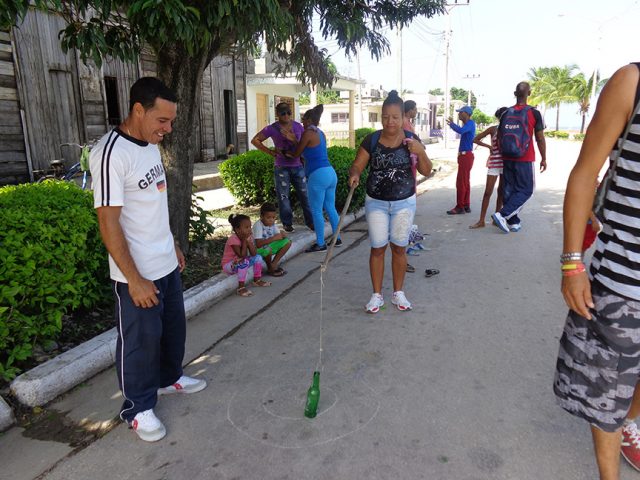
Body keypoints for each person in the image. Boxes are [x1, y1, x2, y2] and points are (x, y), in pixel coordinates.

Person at [89, 77, 207, 443]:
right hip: (136, 274)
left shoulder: (150, 146)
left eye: (171, 122)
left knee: (172, 330)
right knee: (139, 342)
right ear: (138, 110)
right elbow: (108, 222)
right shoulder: (111, 153)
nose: (167, 130)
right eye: (162, 121)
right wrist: (134, 279)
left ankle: (170, 377)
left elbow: (154, 203)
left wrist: (171, 243)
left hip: (165, 262)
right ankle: (138, 408)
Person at [554, 62, 640, 480]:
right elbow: (586, 172)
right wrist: (572, 262)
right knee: (606, 398)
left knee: (628, 398)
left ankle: (629, 422)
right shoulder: (631, 82)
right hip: (622, 283)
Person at [348, 90, 432, 313]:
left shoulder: (411, 140)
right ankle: (376, 295)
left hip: (404, 203)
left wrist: (421, 151)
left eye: (395, 117)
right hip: (376, 202)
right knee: (377, 248)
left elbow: (426, 170)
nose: (390, 122)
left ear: (403, 117)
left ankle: (398, 293)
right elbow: (358, 164)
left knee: (399, 248)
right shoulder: (373, 139)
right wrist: (354, 173)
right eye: (385, 117)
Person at [282, 104, 341, 253]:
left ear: (309, 120)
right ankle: (337, 238)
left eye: (303, 119)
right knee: (330, 207)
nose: (302, 122)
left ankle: (320, 243)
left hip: (318, 175)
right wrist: (294, 140)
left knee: (316, 210)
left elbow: (297, 153)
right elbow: (306, 149)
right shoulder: (319, 133)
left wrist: (286, 150)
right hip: (330, 173)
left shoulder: (308, 132)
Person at [491, 82, 546, 233]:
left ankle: (514, 222)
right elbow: (540, 138)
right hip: (525, 158)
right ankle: (502, 215)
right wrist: (544, 158)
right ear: (529, 93)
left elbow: (500, 135)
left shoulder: (505, 113)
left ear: (515, 94)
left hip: (507, 156)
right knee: (526, 190)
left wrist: (503, 151)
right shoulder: (534, 113)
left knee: (509, 189)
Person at [251, 102, 314, 233]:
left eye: (289, 112)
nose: (286, 115)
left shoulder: (298, 127)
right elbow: (255, 140)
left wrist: (293, 139)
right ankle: (287, 223)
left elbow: (304, 145)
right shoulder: (272, 128)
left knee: (305, 195)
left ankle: (311, 222)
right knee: (283, 196)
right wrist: (271, 152)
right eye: (283, 113)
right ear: (277, 114)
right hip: (281, 167)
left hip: (297, 166)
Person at [469, 107, 507, 229]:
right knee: (488, 192)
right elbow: (475, 139)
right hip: (495, 162)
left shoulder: (509, 130)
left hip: (506, 163)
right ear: (499, 117)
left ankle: (497, 219)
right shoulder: (493, 129)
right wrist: (489, 147)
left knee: (501, 192)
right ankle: (481, 220)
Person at [223, 214, 271, 297]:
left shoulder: (248, 237)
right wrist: (245, 242)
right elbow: (242, 255)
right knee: (243, 262)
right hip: (229, 265)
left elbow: (253, 253)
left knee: (258, 257)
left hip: (240, 261)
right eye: (246, 227)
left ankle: (257, 280)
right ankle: (241, 288)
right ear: (237, 229)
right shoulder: (233, 239)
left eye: (250, 227)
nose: (249, 230)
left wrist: (249, 242)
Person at [446, 106, 476, 215]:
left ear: (466, 114)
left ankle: (460, 207)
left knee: (461, 182)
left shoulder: (469, 124)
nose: (458, 114)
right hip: (465, 156)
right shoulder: (469, 124)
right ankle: (466, 204)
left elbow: (461, 130)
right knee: (465, 181)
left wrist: (452, 124)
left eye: (460, 112)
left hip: (465, 156)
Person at [252, 202, 291, 276]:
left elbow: (278, 235)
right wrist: (273, 238)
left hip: (268, 245)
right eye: (268, 217)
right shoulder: (258, 225)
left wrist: (283, 235)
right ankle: (270, 268)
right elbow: (258, 244)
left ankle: (273, 264)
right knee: (268, 249)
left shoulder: (272, 224)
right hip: (257, 249)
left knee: (287, 242)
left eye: (273, 218)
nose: (271, 220)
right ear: (261, 217)